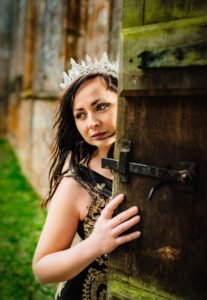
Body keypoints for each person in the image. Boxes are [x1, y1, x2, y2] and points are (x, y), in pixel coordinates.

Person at [32, 53, 141, 300]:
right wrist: (95, 244)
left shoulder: (151, 161)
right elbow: (42, 269)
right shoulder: (76, 183)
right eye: (80, 114)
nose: (91, 123)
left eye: (101, 106)